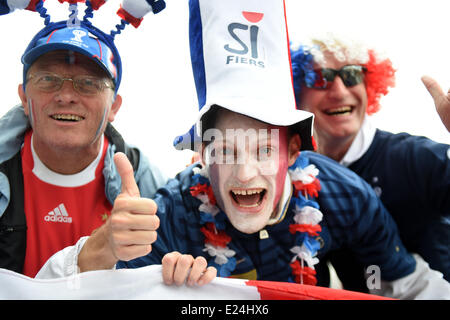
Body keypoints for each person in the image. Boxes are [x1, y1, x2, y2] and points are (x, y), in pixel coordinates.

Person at [38, 0, 450, 298]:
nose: (245, 173)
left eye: (263, 151)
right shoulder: (171, 213)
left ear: (293, 151)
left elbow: (409, 287)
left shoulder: (344, 195)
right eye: (225, 150)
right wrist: (106, 249)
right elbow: (54, 293)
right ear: (201, 155)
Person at [0, 0, 176, 279]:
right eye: (48, 79)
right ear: (23, 97)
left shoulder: (150, 187)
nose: (66, 95)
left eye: (89, 83)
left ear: (114, 107)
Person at [290, 33, 450, 289]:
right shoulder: (297, 179)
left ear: (369, 86)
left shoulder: (413, 158)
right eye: (320, 78)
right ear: (297, 92)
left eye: (352, 75)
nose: (340, 91)